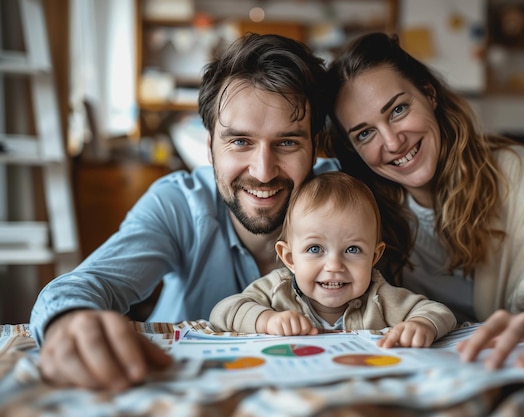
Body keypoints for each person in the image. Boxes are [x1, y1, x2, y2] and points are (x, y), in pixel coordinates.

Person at [29, 33, 339, 391]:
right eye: (240, 142)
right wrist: (69, 319)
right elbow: (86, 284)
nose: (263, 171)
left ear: (315, 147)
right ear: (210, 148)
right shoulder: (179, 203)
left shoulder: (349, 198)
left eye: (287, 142)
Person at [324, 32, 524, 369]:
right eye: (365, 133)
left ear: (429, 93)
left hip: (507, 367)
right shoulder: (355, 205)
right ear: (352, 149)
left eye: (398, 110)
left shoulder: (511, 171)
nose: (393, 142)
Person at [210, 171, 456, 348]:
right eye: (315, 249)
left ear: (374, 256)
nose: (335, 266)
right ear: (289, 258)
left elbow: (440, 313)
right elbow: (223, 312)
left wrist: (422, 324)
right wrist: (267, 320)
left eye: (352, 250)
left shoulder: (380, 297)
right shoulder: (277, 291)